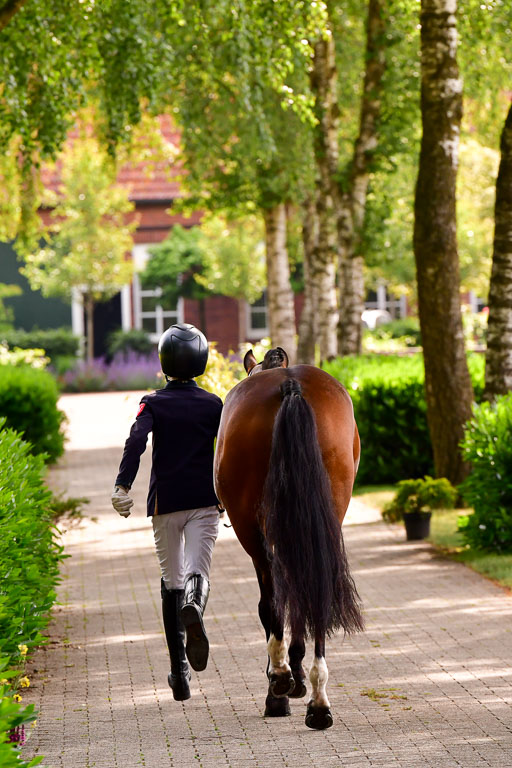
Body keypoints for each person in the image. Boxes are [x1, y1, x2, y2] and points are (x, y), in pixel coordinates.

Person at [111, 323, 223, 702]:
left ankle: (179, 673)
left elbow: (136, 440)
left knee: (170, 580)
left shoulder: (153, 402)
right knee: (197, 573)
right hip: (205, 502)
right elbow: (227, 454)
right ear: (202, 360)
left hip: (165, 504)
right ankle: (196, 605)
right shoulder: (214, 405)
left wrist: (122, 486)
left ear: (163, 362)